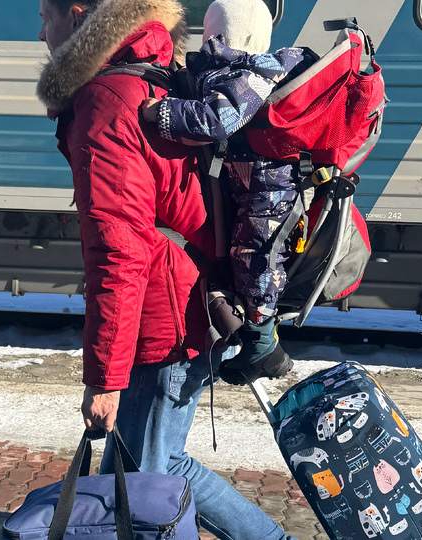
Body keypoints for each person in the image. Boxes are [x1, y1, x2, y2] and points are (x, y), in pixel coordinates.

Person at [36, 0, 297, 538]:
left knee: (154, 472)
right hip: (184, 296)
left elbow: (119, 250)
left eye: (45, 16)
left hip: (166, 315)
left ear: (80, 15)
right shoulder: (159, 76)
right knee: (129, 478)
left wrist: (104, 379)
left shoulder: (108, 101)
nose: (41, 33)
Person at [140, 0, 311, 386]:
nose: (209, 40)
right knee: (240, 257)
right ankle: (252, 334)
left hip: (270, 191)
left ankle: (265, 346)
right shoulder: (229, 72)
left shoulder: (252, 75)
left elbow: (217, 120)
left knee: (257, 260)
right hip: (249, 186)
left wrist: (161, 112)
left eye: (214, 33)